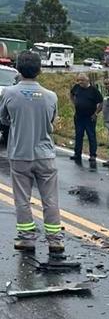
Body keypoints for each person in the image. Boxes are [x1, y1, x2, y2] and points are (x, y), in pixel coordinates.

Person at [0, 51, 64, 253]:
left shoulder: (8, 93)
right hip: (45, 155)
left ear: (18, 69)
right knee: (50, 199)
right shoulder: (51, 96)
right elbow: (52, 123)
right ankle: (55, 240)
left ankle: (27, 239)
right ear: (40, 70)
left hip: (20, 154)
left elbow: (3, 119)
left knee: (22, 199)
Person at [69, 73, 102, 164]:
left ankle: (92, 155)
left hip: (89, 117)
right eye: (78, 80)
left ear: (87, 80)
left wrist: (96, 114)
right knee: (78, 135)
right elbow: (71, 94)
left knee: (91, 136)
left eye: (82, 80)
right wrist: (74, 102)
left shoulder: (93, 90)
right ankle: (77, 154)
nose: (80, 82)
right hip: (79, 116)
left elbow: (101, 102)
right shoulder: (76, 87)